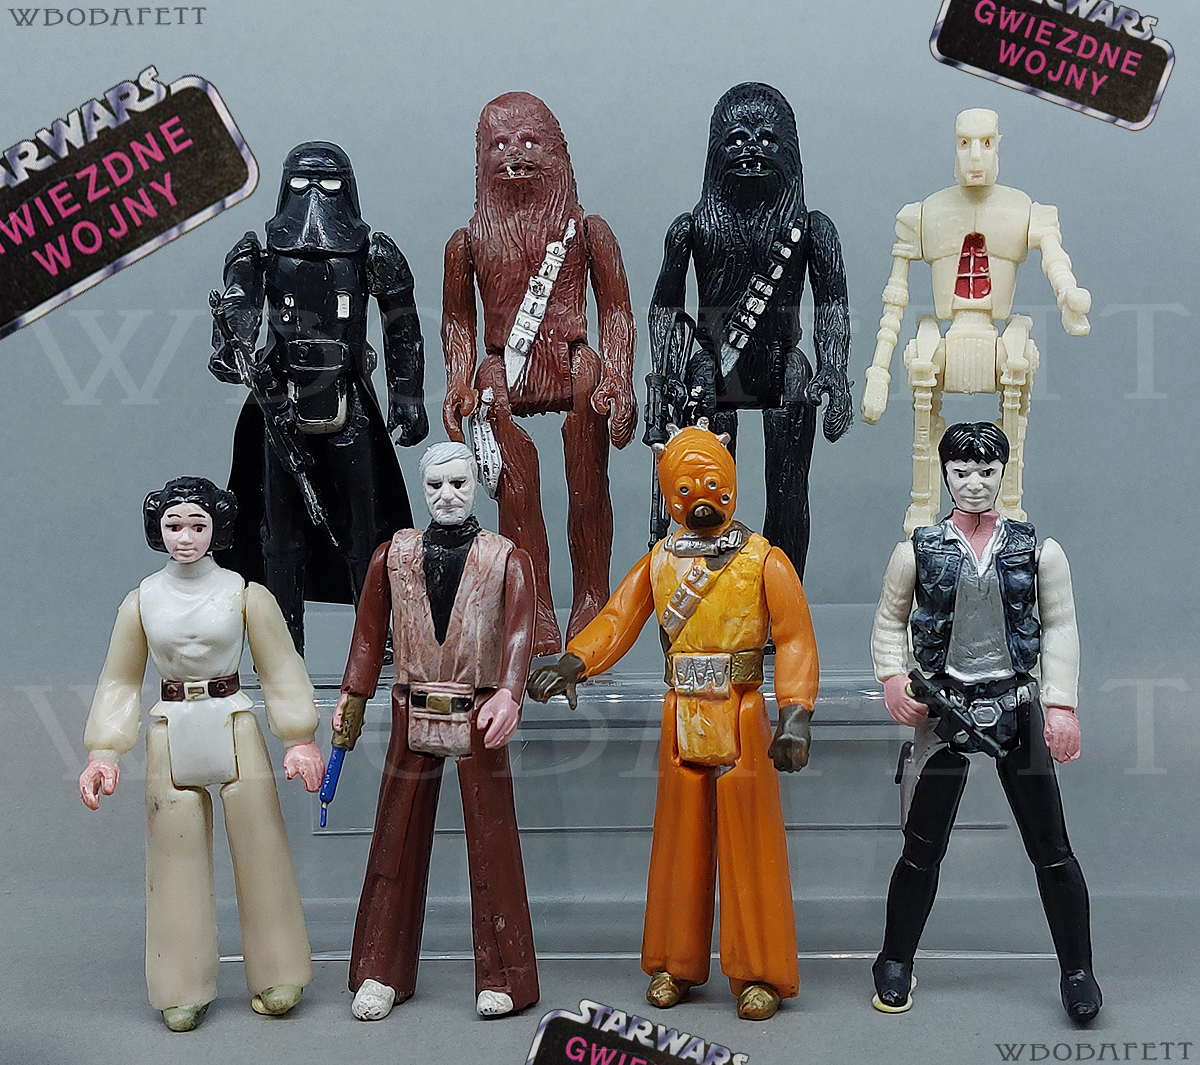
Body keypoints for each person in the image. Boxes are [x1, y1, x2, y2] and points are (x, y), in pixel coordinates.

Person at [528, 422, 818, 1021]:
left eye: (711, 485)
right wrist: (574, 660)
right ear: (668, 494)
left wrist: (794, 714)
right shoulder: (660, 561)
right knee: (678, 842)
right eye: (684, 490)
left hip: (742, 710)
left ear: (731, 483)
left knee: (750, 841)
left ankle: (760, 971)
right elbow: (619, 618)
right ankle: (673, 962)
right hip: (681, 709)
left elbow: (794, 639)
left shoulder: (764, 560)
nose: (700, 499)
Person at [870, 422, 1101, 1023]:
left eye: (986, 472)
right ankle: (894, 960)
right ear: (945, 475)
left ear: (1004, 473)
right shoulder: (916, 550)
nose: (974, 483)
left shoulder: (1038, 551)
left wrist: (1061, 705)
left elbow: (1062, 625)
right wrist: (893, 678)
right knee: (920, 849)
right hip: (944, 708)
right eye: (962, 472)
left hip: (1016, 704)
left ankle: (1078, 971)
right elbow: (891, 620)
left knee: (1052, 849)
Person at [78, 477, 325, 1032]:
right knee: (174, 858)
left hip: (233, 719)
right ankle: (181, 984)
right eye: (173, 525)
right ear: (157, 531)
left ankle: (279, 971)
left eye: (197, 525)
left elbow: (280, 666)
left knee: (262, 847)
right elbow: (120, 679)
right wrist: (104, 750)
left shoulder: (245, 594)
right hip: (171, 726)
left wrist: (299, 738)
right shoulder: (141, 601)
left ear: (217, 529)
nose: (185, 537)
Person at [331, 441, 538, 1020]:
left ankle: (506, 975)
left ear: (477, 485)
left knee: (493, 843)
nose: (447, 496)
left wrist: (510, 693)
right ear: (422, 490)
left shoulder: (506, 558)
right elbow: (368, 634)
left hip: (479, 706)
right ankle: (381, 970)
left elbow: (520, 631)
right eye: (435, 486)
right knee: (394, 839)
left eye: (459, 484)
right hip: (411, 705)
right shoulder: (392, 556)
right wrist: (352, 699)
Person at [211, 141, 427, 653]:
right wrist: (232, 342)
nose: (314, 198)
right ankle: (282, 648)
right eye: (302, 184)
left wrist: (406, 396)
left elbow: (402, 326)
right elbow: (239, 310)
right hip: (280, 402)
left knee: (365, 529)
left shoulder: (372, 252)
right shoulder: (259, 255)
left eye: (328, 185)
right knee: (279, 534)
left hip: (348, 399)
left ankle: (376, 640)